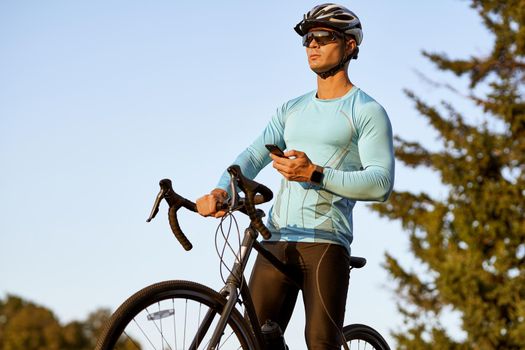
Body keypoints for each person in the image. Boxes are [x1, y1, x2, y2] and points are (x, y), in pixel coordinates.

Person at [196, 3, 394, 349]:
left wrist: (315, 173)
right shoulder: (292, 109)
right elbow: (254, 154)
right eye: (308, 39)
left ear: (350, 46)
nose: (313, 45)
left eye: (323, 37)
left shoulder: (366, 111)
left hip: (326, 242)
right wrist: (221, 190)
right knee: (255, 341)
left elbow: (381, 183)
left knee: (320, 343)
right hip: (276, 239)